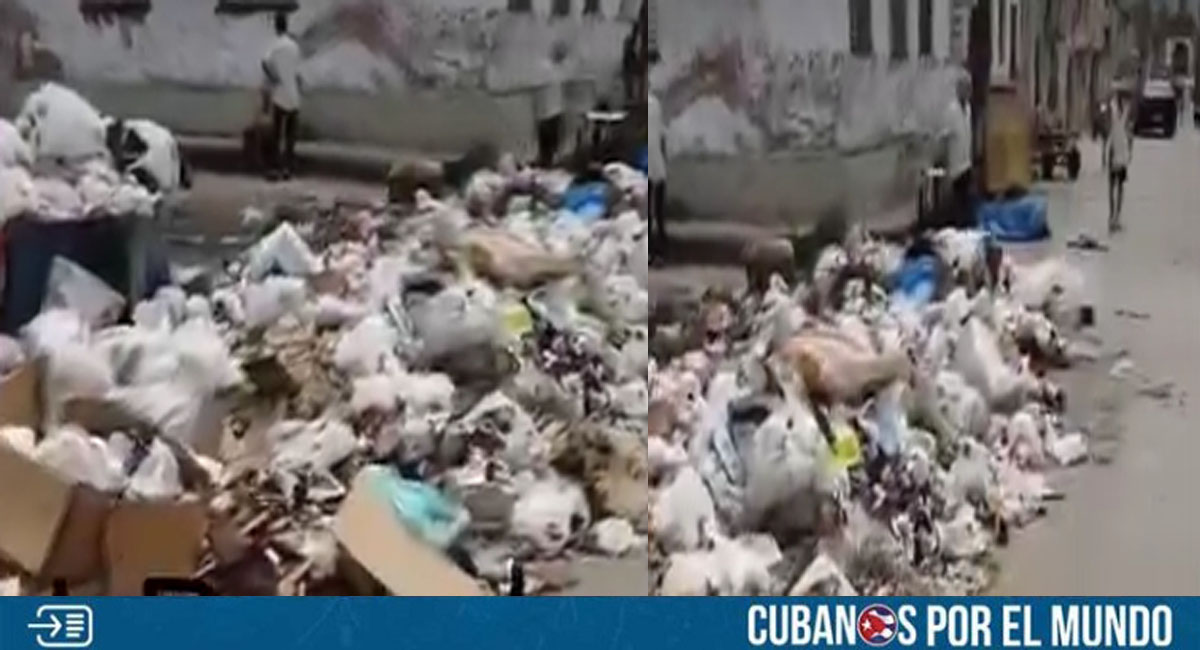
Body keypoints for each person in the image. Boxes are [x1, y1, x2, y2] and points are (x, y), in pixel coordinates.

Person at [262, 12, 302, 180]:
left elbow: (264, 62)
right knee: (290, 137)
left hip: (280, 94)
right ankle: (288, 169)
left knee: (276, 134)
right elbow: (297, 72)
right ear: (287, 26)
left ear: (276, 27)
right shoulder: (294, 46)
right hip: (294, 95)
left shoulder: (275, 45)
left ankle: (275, 168)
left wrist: (273, 76)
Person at [941, 72, 974, 229]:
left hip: (966, 161)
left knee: (966, 200)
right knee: (959, 200)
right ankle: (960, 229)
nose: (968, 92)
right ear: (959, 89)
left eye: (969, 88)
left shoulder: (968, 109)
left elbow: (967, 133)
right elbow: (945, 135)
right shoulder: (951, 110)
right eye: (965, 88)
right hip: (956, 164)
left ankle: (965, 228)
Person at [534, 43, 568, 169]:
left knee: (551, 129)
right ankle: (548, 158)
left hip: (553, 107)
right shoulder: (543, 66)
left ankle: (549, 158)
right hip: (548, 107)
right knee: (548, 129)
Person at [1106, 91, 1133, 233]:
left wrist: (1129, 153)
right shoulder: (1116, 112)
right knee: (1114, 187)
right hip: (1116, 153)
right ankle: (1113, 215)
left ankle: (1116, 215)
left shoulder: (1122, 114)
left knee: (1118, 187)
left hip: (1120, 155)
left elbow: (1130, 136)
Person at [648, 87, 666, 263]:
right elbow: (662, 137)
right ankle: (659, 253)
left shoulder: (650, 105)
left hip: (650, 167)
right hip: (658, 168)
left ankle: (653, 252)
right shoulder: (655, 104)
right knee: (658, 214)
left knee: (649, 214)